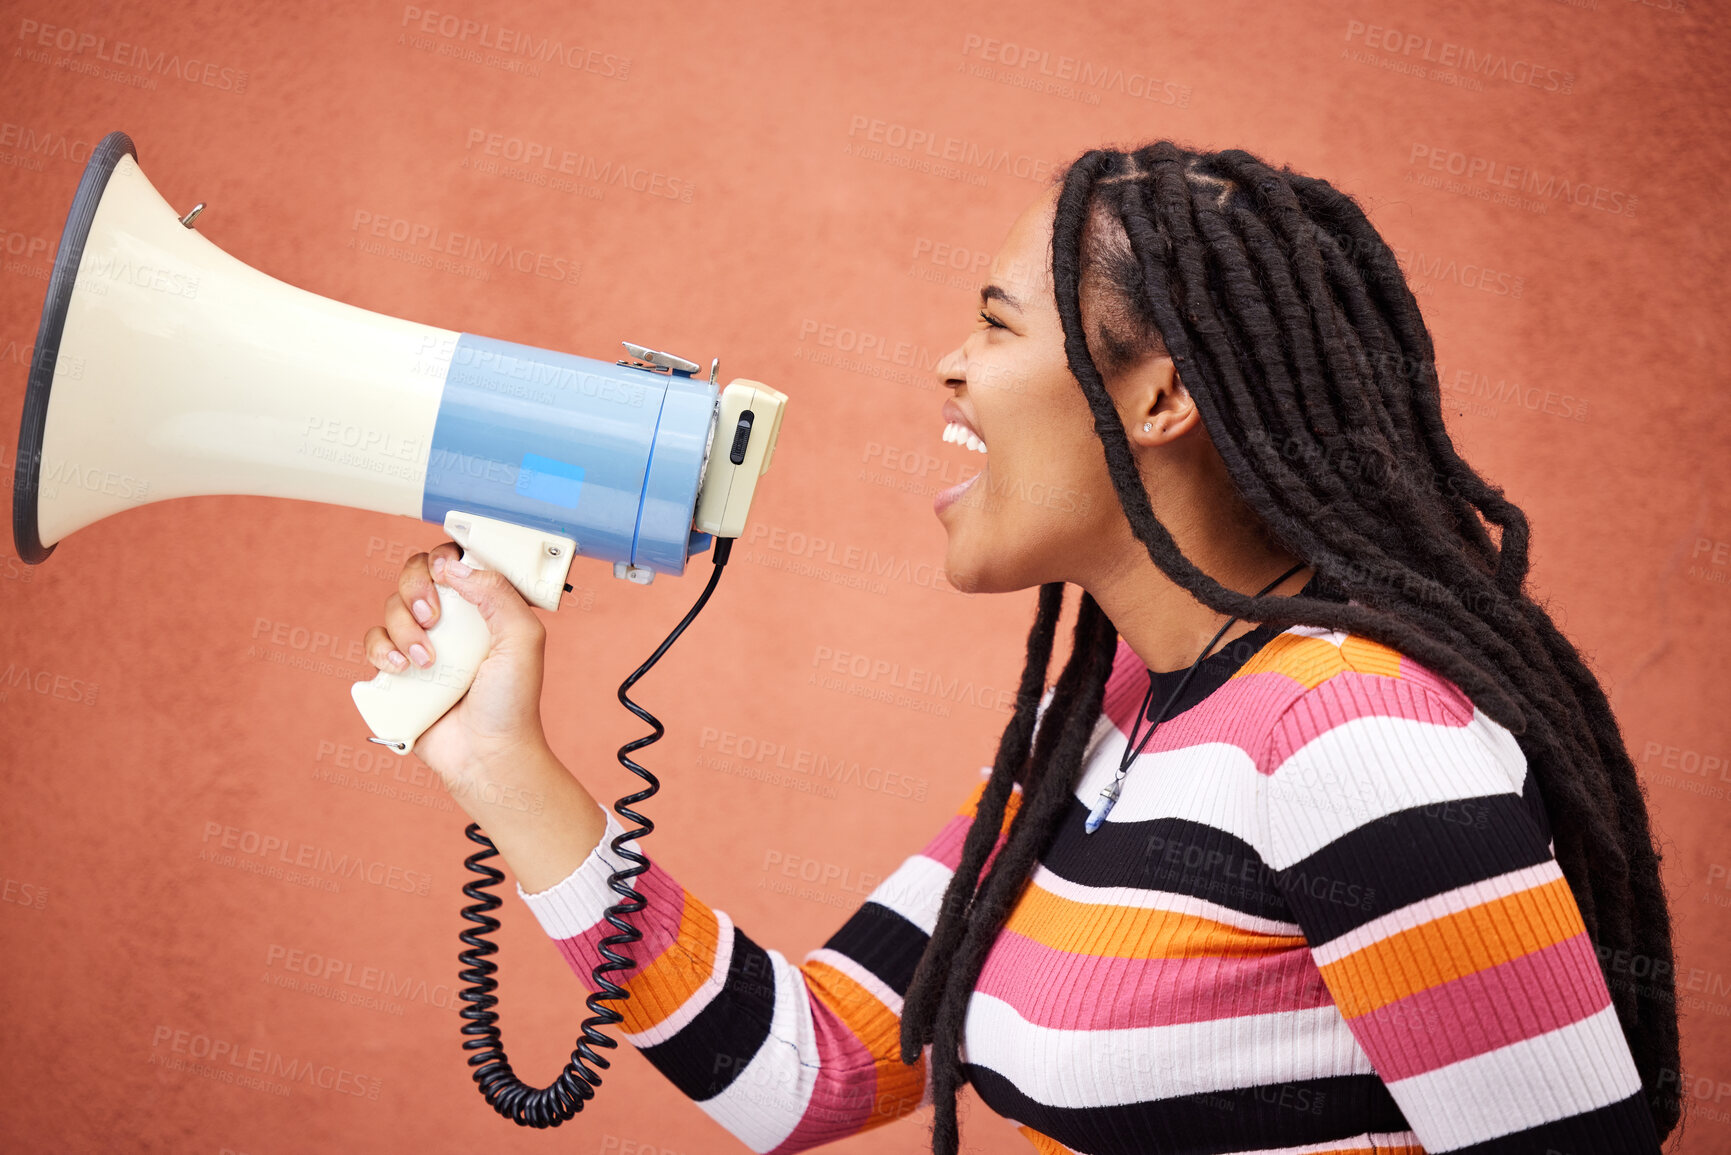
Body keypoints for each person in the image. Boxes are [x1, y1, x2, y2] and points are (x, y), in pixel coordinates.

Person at [363, 142, 1682, 1154]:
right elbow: (817, 1066)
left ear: (1161, 394)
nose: (950, 367)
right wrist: (497, 761)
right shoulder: (1119, 715)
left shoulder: (1350, 734)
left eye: (997, 325)